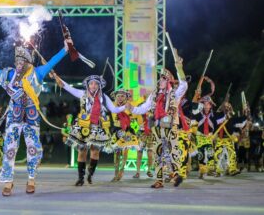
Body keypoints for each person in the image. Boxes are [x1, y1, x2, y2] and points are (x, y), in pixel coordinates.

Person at [0, 40, 69, 196]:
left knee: (33, 148)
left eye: (22, 61)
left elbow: (52, 61)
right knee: (9, 149)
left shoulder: (37, 72)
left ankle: (31, 179)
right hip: (14, 115)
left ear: (28, 62)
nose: (19, 64)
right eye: (17, 61)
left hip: (32, 116)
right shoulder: (9, 74)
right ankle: (8, 181)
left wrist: (65, 48)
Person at [130, 51, 188, 188]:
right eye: (160, 79)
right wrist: (131, 108)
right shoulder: (153, 96)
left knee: (173, 151)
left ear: (168, 82)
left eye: (163, 79)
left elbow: (184, 84)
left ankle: (176, 174)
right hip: (156, 127)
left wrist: (179, 68)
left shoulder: (175, 93)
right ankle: (159, 180)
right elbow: (143, 108)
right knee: (158, 153)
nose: (160, 81)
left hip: (171, 126)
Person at [57, 75, 126, 186]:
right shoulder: (82, 94)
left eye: (95, 84)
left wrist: (126, 107)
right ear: (88, 85)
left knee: (95, 151)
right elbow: (67, 87)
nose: (93, 86)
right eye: (91, 84)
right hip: (84, 126)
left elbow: (113, 109)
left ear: (99, 85)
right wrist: (56, 77)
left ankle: (90, 174)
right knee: (82, 151)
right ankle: (80, 177)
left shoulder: (103, 97)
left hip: (98, 127)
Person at [109, 89, 138, 182]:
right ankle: (115, 173)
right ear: (115, 97)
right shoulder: (112, 106)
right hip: (116, 131)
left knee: (125, 152)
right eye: (118, 96)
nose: (120, 98)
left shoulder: (129, 106)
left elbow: (134, 119)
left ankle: (121, 171)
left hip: (127, 131)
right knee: (116, 153)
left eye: (122, 96)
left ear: (126, 97)